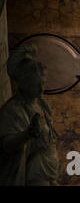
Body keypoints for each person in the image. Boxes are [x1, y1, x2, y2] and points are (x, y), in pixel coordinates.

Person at [0, 44, 59, 185]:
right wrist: (27, 134)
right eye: (36, 85)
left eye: (42, 84)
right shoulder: (13, 109)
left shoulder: (42, 104)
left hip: (49, 172)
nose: (41, 89)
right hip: (33, 173)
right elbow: (5, 144)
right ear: (25, 84)